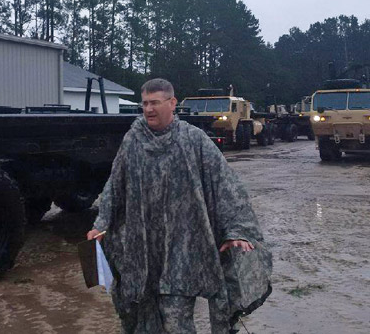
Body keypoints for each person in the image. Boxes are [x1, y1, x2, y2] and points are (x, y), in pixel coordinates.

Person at [87, 78, 270, 334]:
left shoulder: (193, 140)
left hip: (183, 251)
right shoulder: (133, 141)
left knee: (176, 322)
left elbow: (225, 185)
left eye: (155, 103)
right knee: (142, 315)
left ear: (172, 103)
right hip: (143, 252)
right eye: (145, 103)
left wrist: (236, 230)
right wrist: (101, 224)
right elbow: (115, 187)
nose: (149, 109)